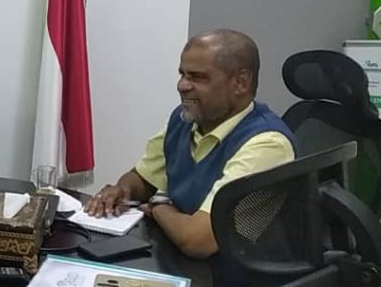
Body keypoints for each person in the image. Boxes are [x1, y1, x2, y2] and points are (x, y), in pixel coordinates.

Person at [84, 29, 295, 259]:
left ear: (240, 83)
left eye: (197, 77)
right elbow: (145, 177)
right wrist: (123, 191)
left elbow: (197, 241)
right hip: (178, 258)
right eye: (182, 74)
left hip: (237, 271)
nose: (182, 85)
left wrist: (159, 206)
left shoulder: (267, 144)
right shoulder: (185, 118)